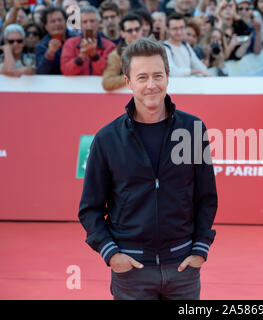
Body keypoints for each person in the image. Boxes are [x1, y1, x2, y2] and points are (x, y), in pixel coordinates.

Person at [78, 37, 218, 300]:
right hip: (132, 272)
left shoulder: (192, 130)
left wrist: (200, 249)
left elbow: (206, 197)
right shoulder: (107, 139)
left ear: (168, 76)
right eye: (142, 78)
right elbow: (90, 208)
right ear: (128, 82)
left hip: (183, 270)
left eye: (158, 75)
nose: (151, 85)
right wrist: (112, 254)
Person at [60, 5, 116, 75]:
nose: (89, 25)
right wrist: (80, 58)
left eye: (92, 21)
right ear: (80, 24)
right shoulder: (70, 43)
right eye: (85, 22)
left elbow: (109, 72)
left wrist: (95, 56)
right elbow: (65, 70)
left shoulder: (110, 46)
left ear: (98, 23)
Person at [102, 13, 143, 91]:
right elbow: (107, 82)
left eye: (137, 29)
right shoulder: (116, 55)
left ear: (142, 30)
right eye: (130, 31)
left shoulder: (152, 51)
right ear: (122, 33)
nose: (134, 33)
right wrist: (134, 77)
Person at [35, 6, 75, 75]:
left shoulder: (76, 39)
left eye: (60, 20)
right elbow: (41, 72)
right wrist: (50, 53)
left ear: (66, 22)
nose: (57, 24)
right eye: (53, 21)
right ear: (46, 26)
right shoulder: (41, 45)